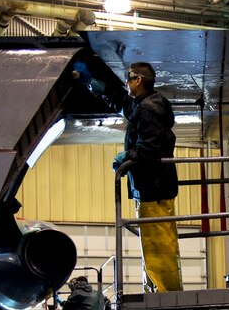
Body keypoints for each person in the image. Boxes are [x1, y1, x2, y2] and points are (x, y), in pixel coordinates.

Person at [73, 59, 183, 293]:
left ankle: (165, 292)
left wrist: (126, 157)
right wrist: (93, 83)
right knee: (156, 241)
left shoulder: (147, 110)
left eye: (129, 78)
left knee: (158, 244)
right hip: (155, 186)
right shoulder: (149, 104)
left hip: (153, 188)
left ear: (138, 80)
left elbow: (149, 148)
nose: (126, 82)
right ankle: (157, 288)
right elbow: (124, 103)